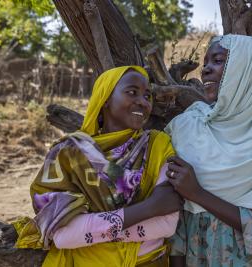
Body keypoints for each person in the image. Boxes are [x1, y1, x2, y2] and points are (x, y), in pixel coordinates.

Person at [13, 66, 183, 267]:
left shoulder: (158, 145)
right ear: (106, 99)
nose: (143, 102)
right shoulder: (68, 154)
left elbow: (166, 224)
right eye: (132, 92)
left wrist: (90, 230)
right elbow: (62, 236)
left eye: (147, 96)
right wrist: (149, 207)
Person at [164, 34, 252, 266]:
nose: (205, 69)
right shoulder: (188, 127)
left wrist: (197, 194)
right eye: (205, 62)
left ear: (246, 70)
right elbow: (174, 211)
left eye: (217, 60)